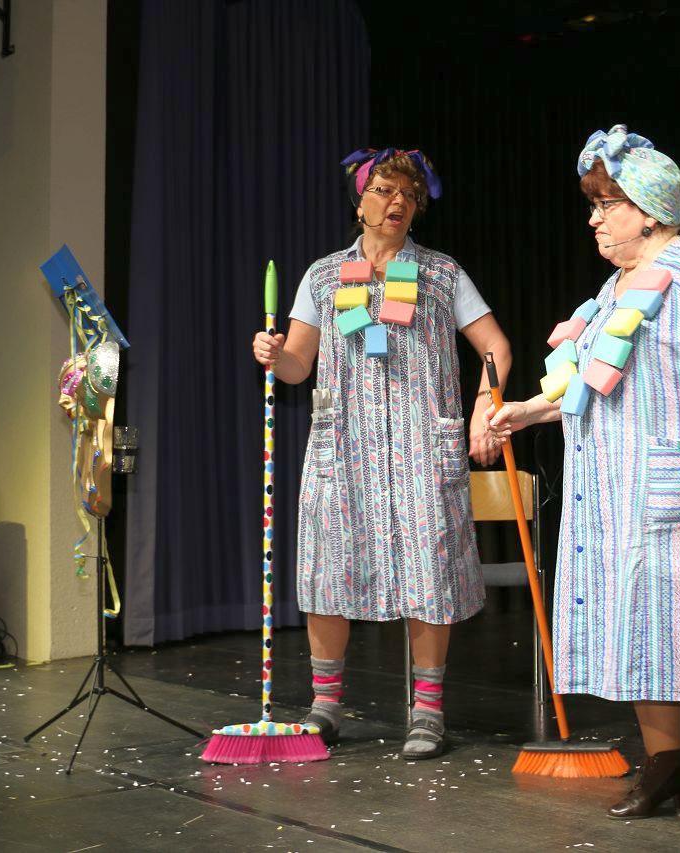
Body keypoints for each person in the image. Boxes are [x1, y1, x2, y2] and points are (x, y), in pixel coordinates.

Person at [488, 125, 680, 829]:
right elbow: (591, 381)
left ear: (648, 210)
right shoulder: (615, 288)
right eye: (593, 205)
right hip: (612, 494)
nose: (593, 218)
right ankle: (664, 763)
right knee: (636, 630)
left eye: (605, 204)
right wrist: (529, 410)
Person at [251, 148, 512, 759]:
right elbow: (298, 366)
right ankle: (325, 706)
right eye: (385, 191)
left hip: (422, 447)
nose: (398, 203)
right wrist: (274, 354)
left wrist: (484, 405)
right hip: (343, 448)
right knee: (329, 569)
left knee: (429, 573)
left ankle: (428, 710)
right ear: (359, 199)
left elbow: (495, 346)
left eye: (409, 195)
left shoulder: (441, 274)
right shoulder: (323, 277)